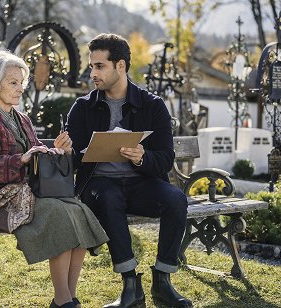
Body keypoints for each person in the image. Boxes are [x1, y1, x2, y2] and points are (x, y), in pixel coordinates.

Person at [0, 50, 108, 308]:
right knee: (58, 213)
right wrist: (21, 160)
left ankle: (69, 298)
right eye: (12, 82)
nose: (19, 89)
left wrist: (59, 151)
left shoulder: (22, 119)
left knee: (79, 210)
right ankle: (63, 300)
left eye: (21, 83)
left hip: (25, 192)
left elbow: (38, 157)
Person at [66, 33, 192, 308]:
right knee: (108, 198)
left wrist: (142, 157)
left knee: (175, 199)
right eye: (91, 66)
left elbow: (165, 159)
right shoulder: (82, 108)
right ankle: (130, 286)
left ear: (120, 66)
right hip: (99, 185)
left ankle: (163, 281)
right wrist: (71, 153)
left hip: (140, 183)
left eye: (100, 66)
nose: (93, 73)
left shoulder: (152, 105)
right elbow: (72, 161)